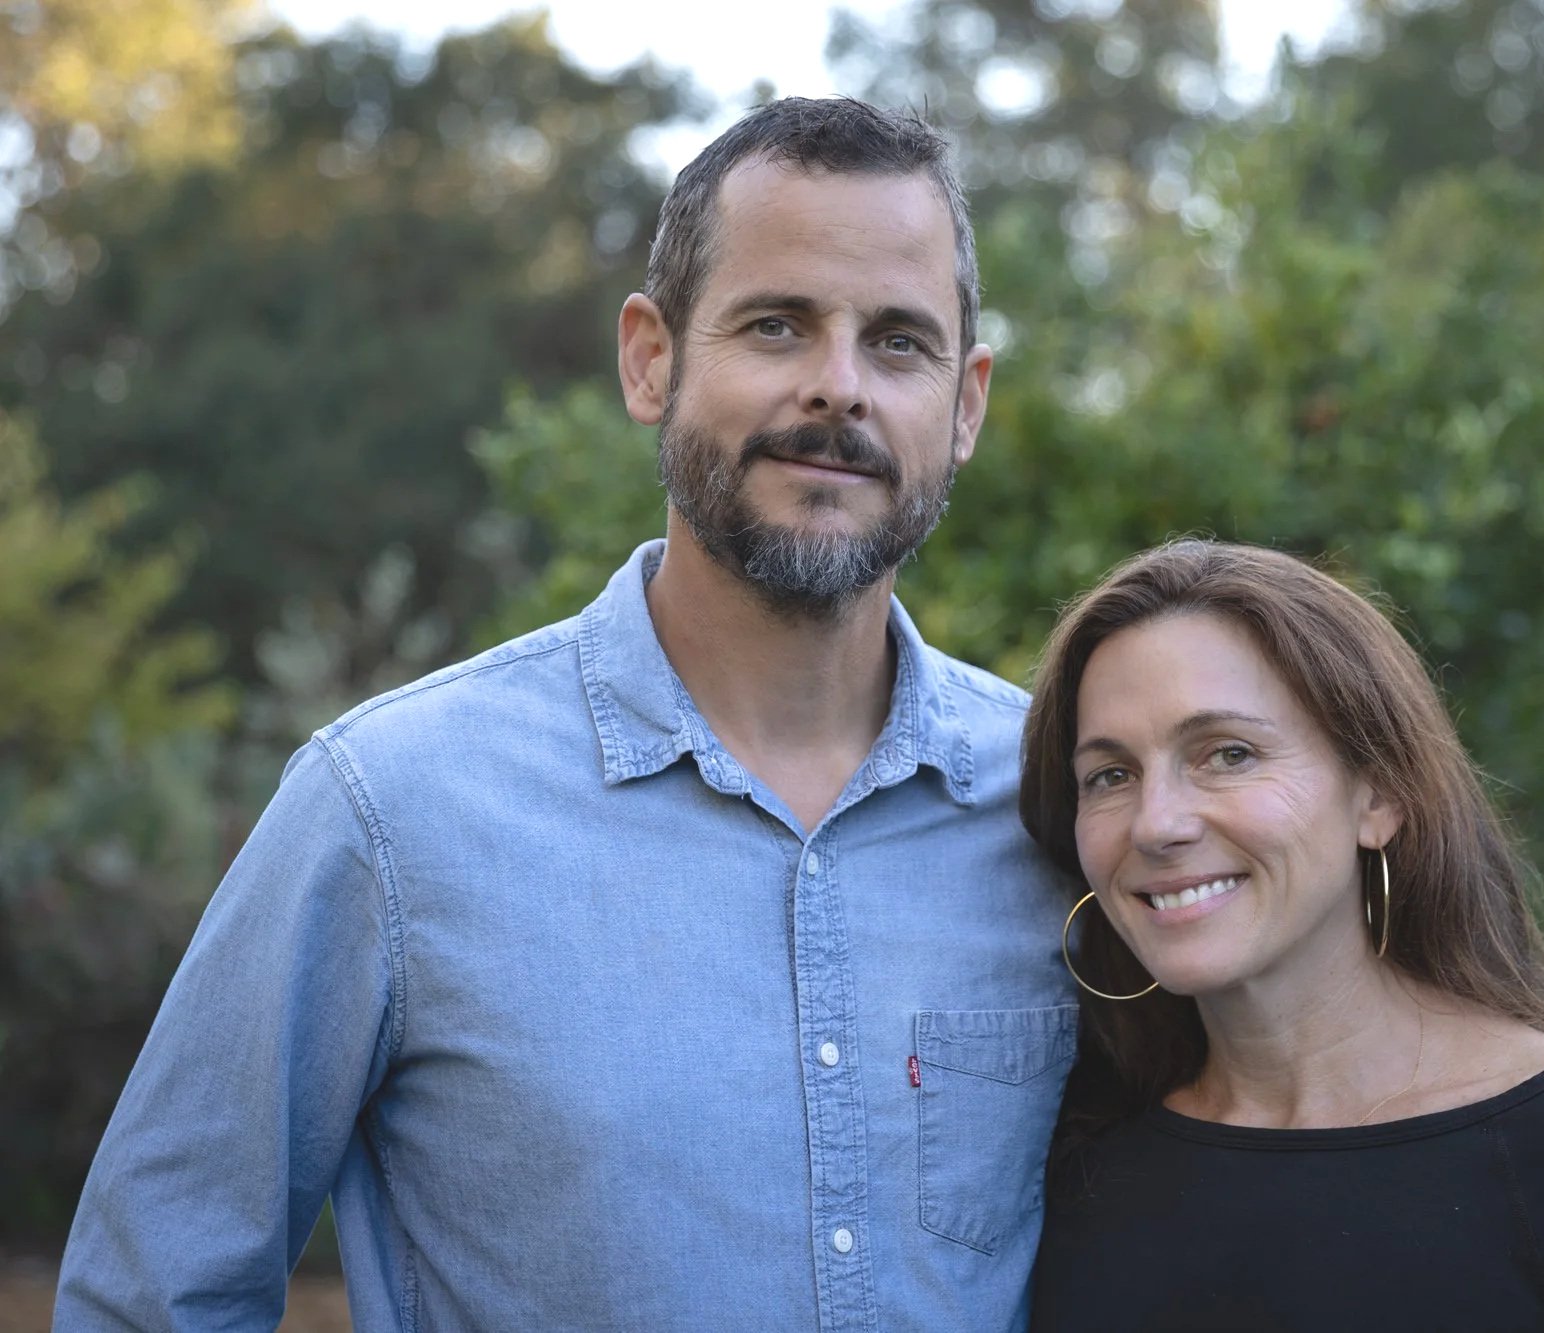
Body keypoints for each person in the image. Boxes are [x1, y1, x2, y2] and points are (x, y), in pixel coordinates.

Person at [56, 98, 1076, 1332]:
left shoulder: (1058, 808)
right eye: (776, 324)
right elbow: (150, 1295)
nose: (838, 387)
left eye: (899, 343)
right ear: (650, 360)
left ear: (965, 406)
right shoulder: (391, 810)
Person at [1019, 540, 1544, 1332]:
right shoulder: (1078, 1157)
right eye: (1110, 774)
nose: (1156, 823)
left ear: (1379, 795)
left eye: (1228, 754)